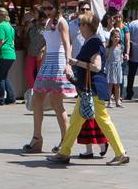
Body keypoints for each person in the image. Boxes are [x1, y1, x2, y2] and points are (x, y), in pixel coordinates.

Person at [48, 11, 128, 167]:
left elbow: (97, 67)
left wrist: (76, 62)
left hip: (93, 89)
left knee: (103, 121)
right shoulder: (93, 41)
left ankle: (121, 153)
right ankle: (64, 152)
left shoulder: (93, 43)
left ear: (87, 26)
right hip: (89, 90)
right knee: (76, 121)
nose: (79, 27)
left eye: (80, 24)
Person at [24, 0, 73, 153]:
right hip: (47, 63)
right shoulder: (46, 23)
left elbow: (67, 43)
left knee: (56, 103)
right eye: (44, 8)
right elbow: (48, 43)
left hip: (58, 63)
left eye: (49, 8)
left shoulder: (61, 22)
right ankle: (37, 138)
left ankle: (66, 142)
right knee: (37, 97)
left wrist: (68, 63)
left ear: (57, 7)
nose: (46, 11)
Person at [0, 7, 16, 105]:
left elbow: (0, 41)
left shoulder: (0, 26)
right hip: (11, 54)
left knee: (0, 77)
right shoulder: (10, 26)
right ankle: (11, 96)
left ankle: (0, 98)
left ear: (2, 16)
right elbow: (12, 40)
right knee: (4, 76)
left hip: (3, 54)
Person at [105, 13, 126, 107]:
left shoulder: (121, 47)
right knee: (110, 84)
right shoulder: (108, 48)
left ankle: (118, 100)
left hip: (118, 67)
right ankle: (109, 100)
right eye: (115, 37)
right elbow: (106, 57)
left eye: (118, 37)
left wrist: (123, 58)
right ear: (111, 38)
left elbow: (121, 56)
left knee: (117, 85)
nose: (117, 38)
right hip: (110, 66)